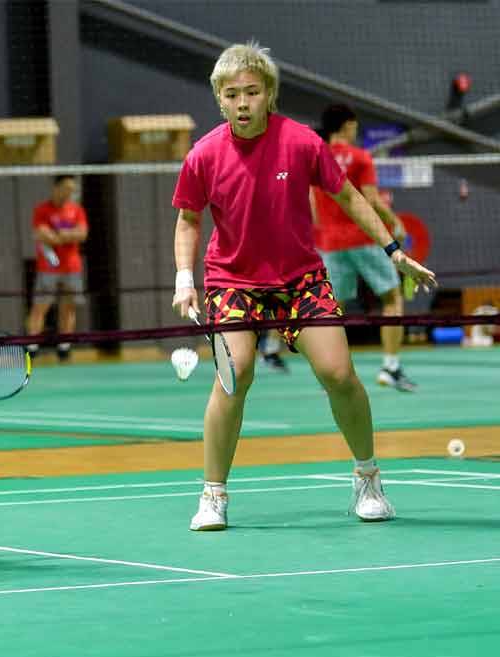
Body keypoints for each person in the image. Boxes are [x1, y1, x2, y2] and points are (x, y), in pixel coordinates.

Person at [170, 42, 436, 531]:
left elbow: (350, 198)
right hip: (233, 280)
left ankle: (368, 478)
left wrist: (393, 251)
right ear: (219, 99)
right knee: (235, 374)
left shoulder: (302, 143)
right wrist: (185, 279)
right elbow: (188, 220)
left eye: (253, 92)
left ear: (270, 94)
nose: (243, 102)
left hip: (300, 279)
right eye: (232, 94)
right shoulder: (204, 153)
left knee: (339, 373)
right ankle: (213, 494)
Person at [312, 103, 416, 392]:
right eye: (355, 126)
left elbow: (313, 206)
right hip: (364, 238)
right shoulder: (360, 157)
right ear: (347, 125)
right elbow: (370, 199)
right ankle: (391, 367)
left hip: (330, 243)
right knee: (392, 298)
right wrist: (395, 222)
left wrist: (324, 229)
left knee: (334, 309)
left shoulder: (317, 156)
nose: (356, 131)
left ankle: (331, 373)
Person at [25, 174, 88, 362]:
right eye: (67, 188)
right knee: (40, 306)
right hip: (48, 269)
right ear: (56, 188)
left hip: (72, 268)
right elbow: (43, 234)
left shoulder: (76, 210)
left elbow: (82, 233)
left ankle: (64, 347)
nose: (70, 192)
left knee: (68, 307)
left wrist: (61, 234)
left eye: (72, 189)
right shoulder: (42, 210)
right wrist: (65, 236)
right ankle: (32, 346)